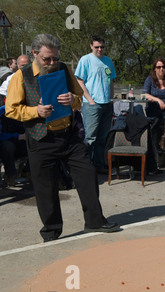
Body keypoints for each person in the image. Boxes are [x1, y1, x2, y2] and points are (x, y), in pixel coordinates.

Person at [5, 33, 119, 242]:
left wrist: (72, 100)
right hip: (40, 139)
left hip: (69, 136)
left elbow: (78, 99)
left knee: (87, 174)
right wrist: (35, 112)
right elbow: (11, 110)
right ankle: (51, 231)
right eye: (47, 59)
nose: (52, 62)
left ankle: (95, 221)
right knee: (46, 188)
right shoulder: (21, 76)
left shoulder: (64, 69)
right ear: (34, 54)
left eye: (55, 58)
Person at [75, 35, 117, 173]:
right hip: (92, 104)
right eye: (97, 47)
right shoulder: (85, 60)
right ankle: (86, 167)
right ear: (91, 46)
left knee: (102, 137)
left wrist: (111, 97)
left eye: (102, 47)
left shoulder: (108, 61)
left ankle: (98, 165)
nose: (99, 49)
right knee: (90, 137)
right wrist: (90, 99)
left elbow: (111, 80)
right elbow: (79, 81)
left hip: (106, 103)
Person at [143, 58, 165, 151]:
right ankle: (158, 145)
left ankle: (164, 141)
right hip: (154, 107)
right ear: (154, 69)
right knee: (158, 119)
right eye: (158, 67)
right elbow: (145, 95)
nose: (161, 69)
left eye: (163, 67)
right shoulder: (149, 80)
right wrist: (158, 100)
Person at [0, 106, 27, 186]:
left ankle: (27, 171)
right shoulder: (2, 112)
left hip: (20, 138)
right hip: (6, 141)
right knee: (8, 147)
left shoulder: (24, 109)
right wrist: (17, 136)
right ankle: (10, 175)